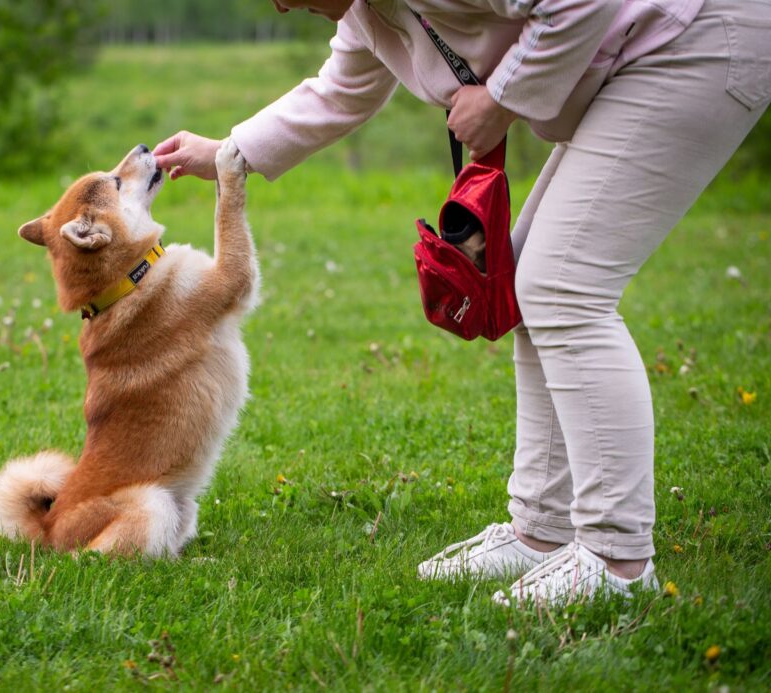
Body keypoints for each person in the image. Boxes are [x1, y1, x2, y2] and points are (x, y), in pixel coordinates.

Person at [154, 0, 771, 605]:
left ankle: (616, 558)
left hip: (694, 39)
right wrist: (228, 152)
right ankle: (541, 531)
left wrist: (501, 98)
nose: (282, 9)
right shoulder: (366, 12)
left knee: (563, 288)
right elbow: (339, 91)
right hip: (646, 55)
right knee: (529, 282)